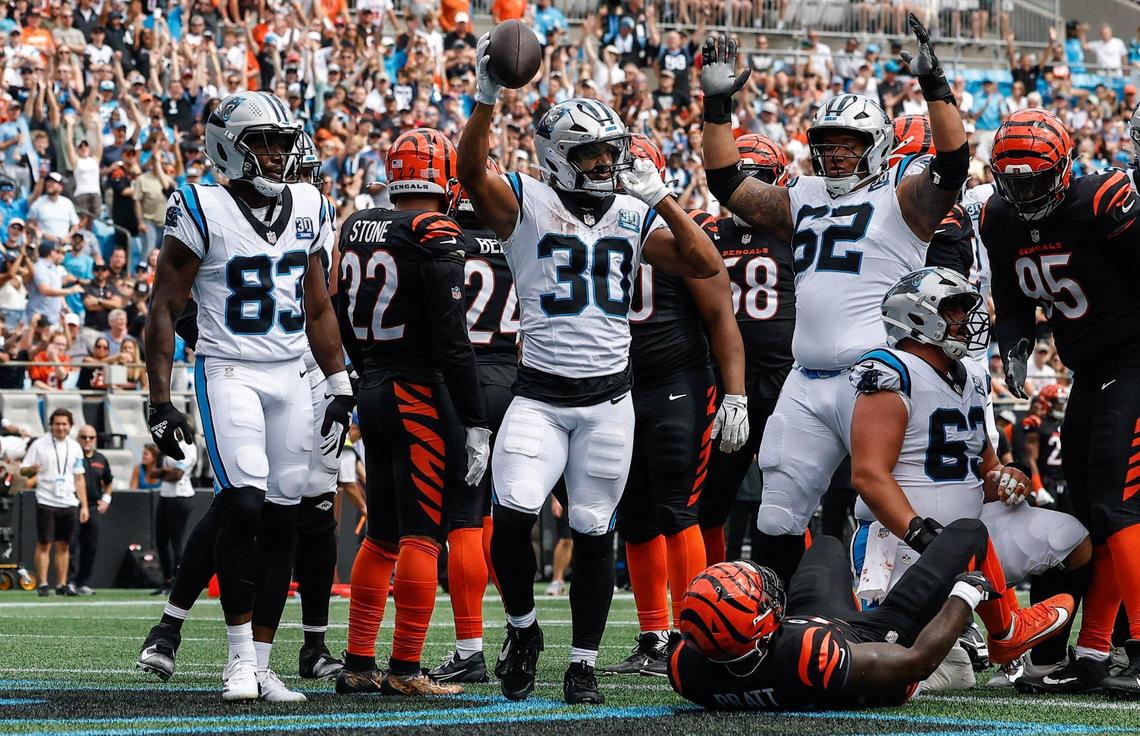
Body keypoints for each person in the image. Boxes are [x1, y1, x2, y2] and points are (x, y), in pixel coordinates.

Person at [459, 37, 724, 702]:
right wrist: (488, 98)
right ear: (556, 159)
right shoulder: (527, 204)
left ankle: (581, 663)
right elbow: (470, 174)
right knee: (514, 518)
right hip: (540, 396)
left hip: (610, 402)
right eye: (590, 154)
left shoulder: (633, 213)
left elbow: (702, 264)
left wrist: (663, 197)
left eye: (611, 151)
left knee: (594, 532)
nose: (605, 163)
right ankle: (522, 629)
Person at [699, 16, 967, 587]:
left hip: (877, 376)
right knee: (777, 509)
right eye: (826, 146)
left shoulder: (903, 198)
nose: (837, 156)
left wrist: (936, 88)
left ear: (878, 147)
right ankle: (774, 625)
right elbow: (726, 183)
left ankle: (917, 622)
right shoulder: (803, 194)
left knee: (882, 507)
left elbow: (953, 165)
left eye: (850, 145)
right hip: (805, 376)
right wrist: (718, 106)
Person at [138, 92, 351, 703]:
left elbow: (316, 304)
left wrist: (338, 383)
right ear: (227, 146)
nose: (278, 153)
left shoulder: (310, 202)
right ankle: (235, 660)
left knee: (285, 513)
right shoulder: (201, 204)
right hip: (228, 368)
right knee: (246, 503)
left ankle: (262, 662)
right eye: (263, 141)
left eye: (283, 141)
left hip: (290, 373)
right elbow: (164, 305)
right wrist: (160, 398)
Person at [848, 267, 1083, 675]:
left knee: (1072, 538)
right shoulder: (891, 368)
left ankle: (1040, 658)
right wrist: (923, 535)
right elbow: (868, 474)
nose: (965, 320)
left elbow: (984, 469)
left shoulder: (970, 377)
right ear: (919, 316)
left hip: (972, 531)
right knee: (916, 675)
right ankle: (999, 628)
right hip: (904, 540)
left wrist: (1010, 478)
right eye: (954, 309)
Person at [983, 108, 1140, 697]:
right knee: (1092, 510)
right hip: (1092, 372)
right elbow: (1011, 294)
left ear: (1064, 168)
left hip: (1133, 363)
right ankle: (1094, 651)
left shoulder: (1101, 200)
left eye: (1033, 178)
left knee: (1118, 502)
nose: (1022, 190)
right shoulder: (999, 217)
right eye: (1012, 178)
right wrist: (1016, 345)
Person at [334, 129, 489, 697]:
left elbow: (336, 306)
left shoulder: (354, 224)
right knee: (423, 535)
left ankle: (356, 662)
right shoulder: (435, 230)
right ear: (443, 176)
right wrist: (474, 419)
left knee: (381, 534)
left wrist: (363, 365)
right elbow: (453, 340)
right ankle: (404, 668)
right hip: (418, 391)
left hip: (374, 384)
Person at [603, 135, 746, 678]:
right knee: (635, 517)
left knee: (676, 508)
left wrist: (734, 393)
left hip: (677, 382)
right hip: (617, 387)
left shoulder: (689, 233)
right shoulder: (590, 225)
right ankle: (652, 637)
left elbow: (720, 318)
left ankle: (694, 634)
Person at [668, 520, 999, 711]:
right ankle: (1005, 638)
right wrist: (966, 592)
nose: (768, 596)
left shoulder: (688, 669)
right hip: (872, 641)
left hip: (814, 627)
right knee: (968, 531)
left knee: (826, 544)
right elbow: (918, 661)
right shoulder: (809, 654)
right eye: (761, 600)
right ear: (757, 626)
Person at [429, 158, 515, 685]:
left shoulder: (444, 243)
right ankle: (520, 627)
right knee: (507, 514)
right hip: (519, 378)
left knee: (463, 514)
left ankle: (469, 647)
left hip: (463, 382)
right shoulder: (521, 239)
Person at [697, 134, 795, 566]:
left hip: (780, 378)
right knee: (711, 503)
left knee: (791, 501)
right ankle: (712, 591)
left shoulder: (714, 232)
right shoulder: (713, 232)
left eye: (761, 180)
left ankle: (797, 596)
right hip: (734, 381)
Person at [20, 409, 87, 597]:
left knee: (64, 545)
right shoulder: (39, 444)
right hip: (46, 499)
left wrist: (83, 505)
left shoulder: (75, 447)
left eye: (64, 424)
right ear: (51, 425)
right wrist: (31, 469)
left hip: (69, 501)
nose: (60, 427)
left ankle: (62, 584)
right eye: (57, 424)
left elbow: (79, 478)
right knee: (44, 544)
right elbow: (22, 470)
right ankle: (42, 583)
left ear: (70, 426)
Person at [67, 425, 112, 596]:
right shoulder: (73, 456)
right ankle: (69, 582)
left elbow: (109, 481)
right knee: (70, 546)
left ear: (96, 439)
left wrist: (106, 499)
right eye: (84, 437)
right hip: (74, 505)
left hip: (93, 506)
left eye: (91, 437)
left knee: (90, 547)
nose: (87, 440)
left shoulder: (101, 458)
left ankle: (82, 582)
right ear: (78, 438)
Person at [151, 438, 198, 596]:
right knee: (161, 540)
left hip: (181, 496)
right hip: (165, 495)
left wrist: (163, 472)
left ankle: (179, 582)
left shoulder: (188, 447)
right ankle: (167, 580)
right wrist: (166, 471)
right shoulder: (166, 445)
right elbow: (152, 472)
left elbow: (177, 475)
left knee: (175, 541)